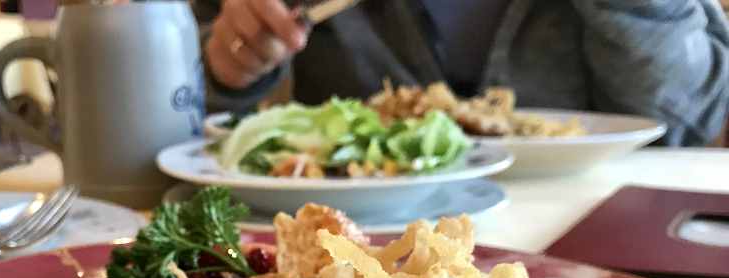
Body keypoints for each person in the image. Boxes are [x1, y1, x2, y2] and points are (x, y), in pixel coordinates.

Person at [194, 0, 729, 146]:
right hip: (359, 243)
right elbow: (180, 94)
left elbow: (697, 118)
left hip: (603, 247)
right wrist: (230, 66)